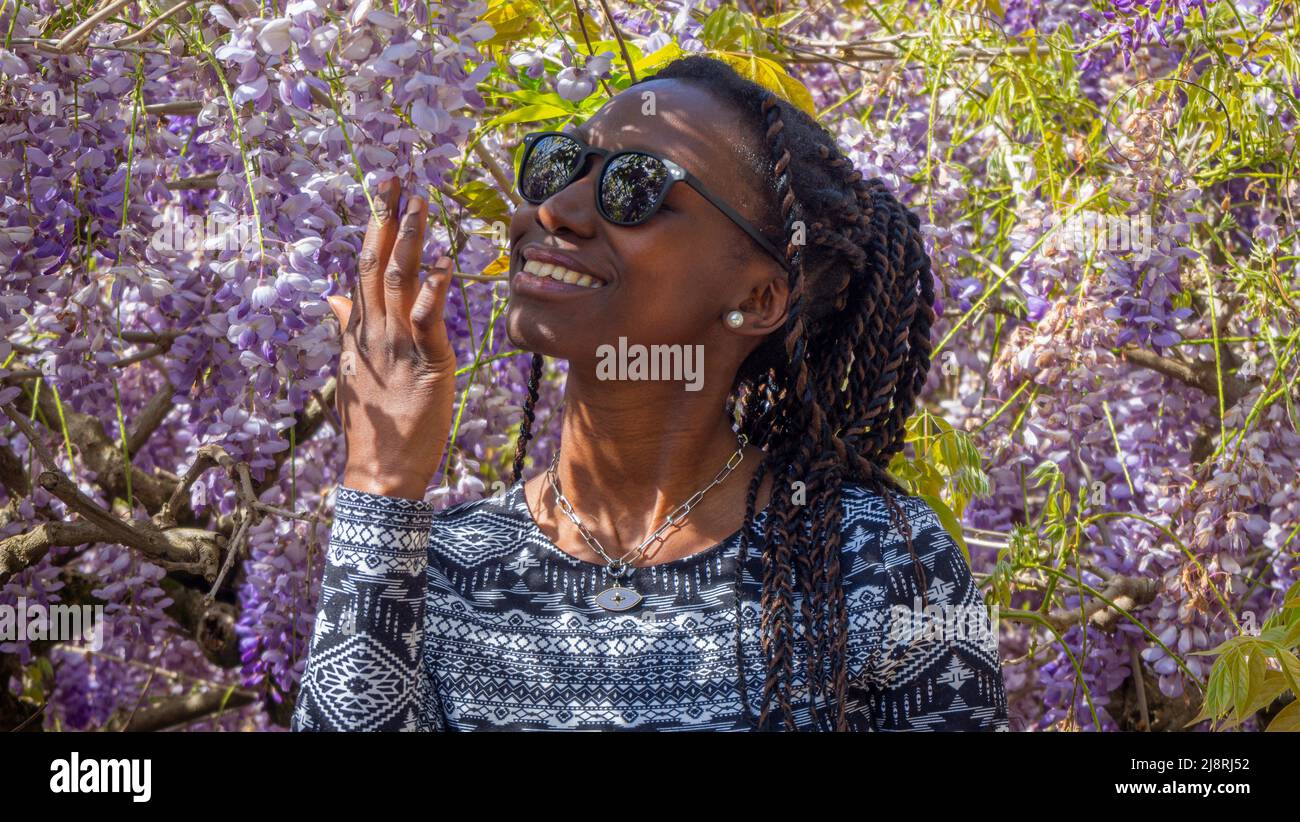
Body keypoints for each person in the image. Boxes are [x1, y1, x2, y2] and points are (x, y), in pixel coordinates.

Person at [290, 55, 1008, 731]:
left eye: (636, 187)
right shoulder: (440, 565)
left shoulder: (884, 562)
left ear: (758, 299)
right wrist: (380, 490)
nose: (558, 210)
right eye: (558, 165)